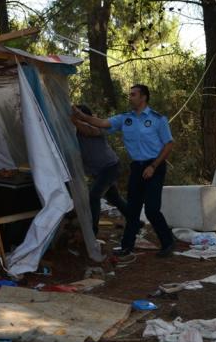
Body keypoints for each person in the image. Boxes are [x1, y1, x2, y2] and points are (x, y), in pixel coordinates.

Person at [71, 84, 175, 257]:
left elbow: (169, 144)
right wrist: (81, 116)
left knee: (151, 209)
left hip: (154, 166)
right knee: (133, 209)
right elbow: (102, 123)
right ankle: (127, 246)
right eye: (130, 94)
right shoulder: (125, 118)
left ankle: (168, 242)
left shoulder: (158, 119)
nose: (130, 97)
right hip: (137, 167)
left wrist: (153, 166)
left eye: (133, 94)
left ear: (143, 97)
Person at [72, 105, 127, 235]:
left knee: (94, 196)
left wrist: (75, 120)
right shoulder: (74, 132)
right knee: (114, 198)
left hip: (110, 167)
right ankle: (135, 220)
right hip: (99, 171)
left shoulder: (96, 127)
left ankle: (92, 231)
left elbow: (89, 131)